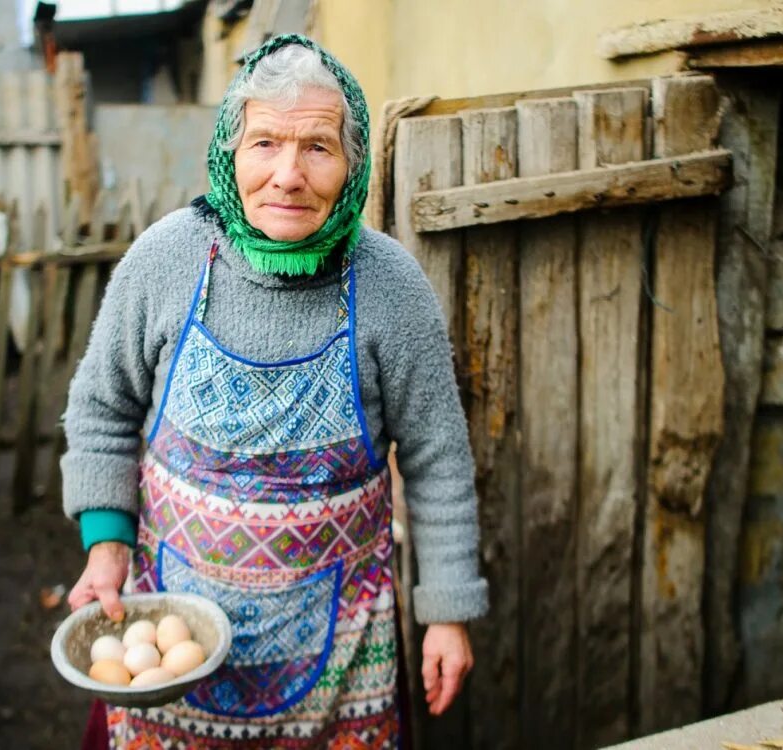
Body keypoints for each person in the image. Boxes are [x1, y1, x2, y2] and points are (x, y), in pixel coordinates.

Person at [63, 33, 487, 748]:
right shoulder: (167, 258)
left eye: (318, 147)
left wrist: (446, 611)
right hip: (170, 634)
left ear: (353, 165)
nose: (288, 175)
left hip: (339, 649)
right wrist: (106, 543)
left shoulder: (390, 285)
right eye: (264, 144)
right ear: (230, 155)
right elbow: (102, 407)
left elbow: (438, 460)